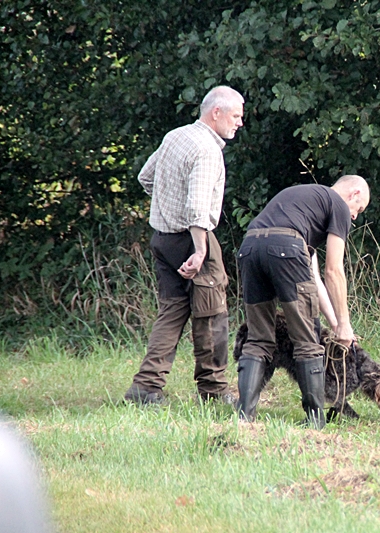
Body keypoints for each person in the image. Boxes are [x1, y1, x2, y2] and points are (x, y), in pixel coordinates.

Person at [124, 86, 245, 405]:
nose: (239, 123)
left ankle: (145, 388)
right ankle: (214, 391)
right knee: (212, 314)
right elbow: (196, 207)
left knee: (172, 311)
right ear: (215, 112)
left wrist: (168, 206)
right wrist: (201, 249)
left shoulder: (175, 136)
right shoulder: (207, 149)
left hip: (162, 239)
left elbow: (145, 177)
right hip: (192, 239)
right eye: (236, 116)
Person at [236, 175, 370, 428]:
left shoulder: (306, 202)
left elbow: (314, 279)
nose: (355, 216)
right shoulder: (339, 205)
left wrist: (337, 325)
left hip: (250, 248)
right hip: (286, 248)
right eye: (359, 209)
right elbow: (334, 271)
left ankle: (244, 418)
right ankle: (315, 421)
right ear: (354, 193)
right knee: (307, 341)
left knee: (259, 339)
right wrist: (345, 322)